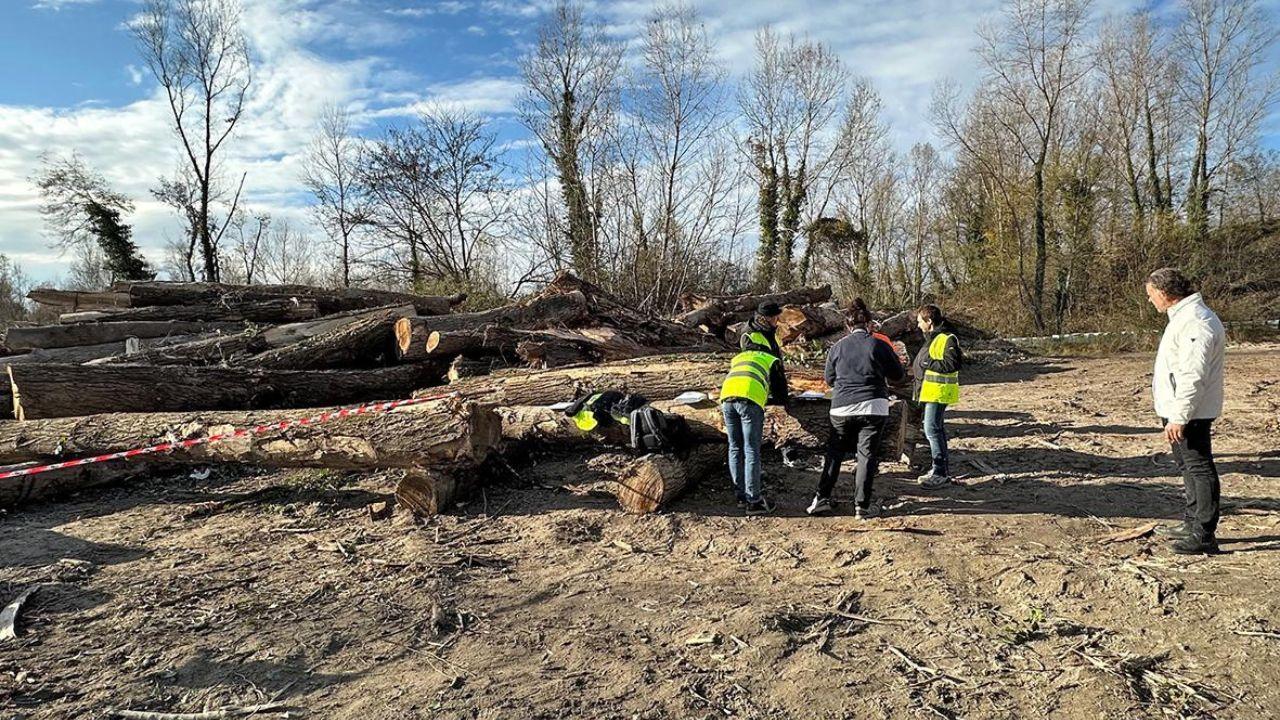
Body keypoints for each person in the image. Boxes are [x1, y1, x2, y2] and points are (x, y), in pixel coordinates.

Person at [1146, 268, 1226, 555]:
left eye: (1151, 295)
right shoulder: (1183, 318)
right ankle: (1192, 522)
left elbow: (1194, 374)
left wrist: (1181, 416)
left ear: (1166, 294)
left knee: (1199, 468)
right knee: (1187, 466)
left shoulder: (1196, 322)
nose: (1150, 300)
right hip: (1182, 408)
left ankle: (1204, 533)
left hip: (1191, 412)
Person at [806, 299, 906, 519]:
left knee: (834, 453)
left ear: (848, 326)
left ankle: (821, 497)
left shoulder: (837, 347)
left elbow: (829, 379)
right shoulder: (879, 344)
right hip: (873, 405)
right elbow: (898, 375)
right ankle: (862, 505)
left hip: (842, 407)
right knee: (866, 456)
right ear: (869, 324)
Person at [720, 336, 787, 515]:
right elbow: (781, 391)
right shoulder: (770, 359)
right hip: (749, 400)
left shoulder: (738, 358)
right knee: (751, 449)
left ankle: (741, 495)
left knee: (734, 447)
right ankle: (754, 501)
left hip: (726, 399)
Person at [739, 302, 799, 466]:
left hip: (776, 381)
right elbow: (757, 364)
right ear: (765, 318)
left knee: (782, 413)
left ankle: (786, 447)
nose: (778, 320)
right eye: (775, 317)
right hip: (760, 384)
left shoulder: (771, 333)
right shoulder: (749, 335)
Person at [912, 304, 962, 489]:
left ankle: (940, 472)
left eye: (920, 322)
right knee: (935, 430)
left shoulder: (947, 338)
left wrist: (928, 362)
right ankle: (939, 469)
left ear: (929, 321)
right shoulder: (933, 338)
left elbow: (952, 364)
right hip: (931, 392)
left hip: (939, 392)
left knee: (931, 430)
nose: (918, 326)